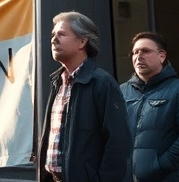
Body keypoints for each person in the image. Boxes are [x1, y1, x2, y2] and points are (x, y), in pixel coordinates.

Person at [37, 11, 131, 182]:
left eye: (61, 34)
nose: (53, 39)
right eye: (53, 35)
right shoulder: (57, 82)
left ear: (82, 41)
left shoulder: (102, 83)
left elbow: (118, 144)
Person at [120, 32, 179, 182]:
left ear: (162, 56)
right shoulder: (121, 92)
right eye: (135, 52)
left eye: (145, 51)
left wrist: (159, 166)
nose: (139, 56)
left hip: (167, 177)